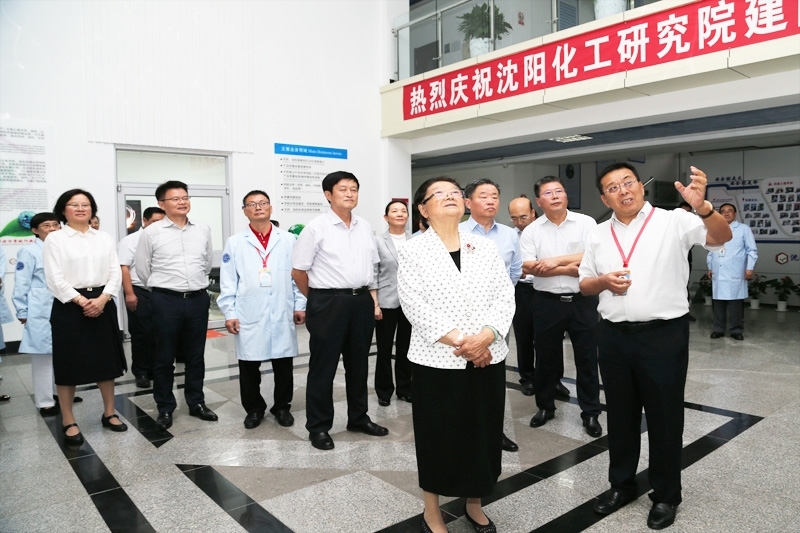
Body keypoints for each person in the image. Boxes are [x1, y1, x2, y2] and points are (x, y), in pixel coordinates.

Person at [579, 163, 731, 530]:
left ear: (640, 186)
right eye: (613, 187)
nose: (623, 190)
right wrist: (603, 281)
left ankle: (665, 495)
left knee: (665, 417)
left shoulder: (673, 220)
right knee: (620, 415)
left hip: (663, 336)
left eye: (627, 182)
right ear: (604, 199)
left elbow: (720, 237)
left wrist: (703, 207)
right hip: (613, 337)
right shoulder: (597, 234)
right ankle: (621, 485)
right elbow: (584, 284)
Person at [398, 177, 515, 533]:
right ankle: (432, 511)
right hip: (438, 361)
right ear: (423, 209)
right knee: (438, 436)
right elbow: (414, 305)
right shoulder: (413, 250)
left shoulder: (485, 247)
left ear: (464, 204)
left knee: (482, 433)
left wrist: (487, 336)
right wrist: (467, 344)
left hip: (488, 356)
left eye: (454, 193)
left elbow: (505, 296)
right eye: (439, 194)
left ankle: (474, 503)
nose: (450, 197)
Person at [291, 171, 388, 450]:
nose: (349, 193)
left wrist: (372, 301)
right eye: (343, 189)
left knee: (359, 365)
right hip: (328, 302)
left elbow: (371, 268)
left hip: (361, 301)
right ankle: (319, 427)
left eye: (354, 189)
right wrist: (318, 299)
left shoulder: (364, 226)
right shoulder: (315, 228)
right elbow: (298, 272)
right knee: (323, 368)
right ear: (328, 195)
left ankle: (358, 418)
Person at [520, 176, 603, 438]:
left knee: (587, 359)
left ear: (566, 195)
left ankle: (590, 412)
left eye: (559, 191)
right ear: (538, 201)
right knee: (546, 359)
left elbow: (593, 257)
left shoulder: (586, 223)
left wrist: (554, 262)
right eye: (548, 193)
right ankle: (545, 407)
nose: (555, 196)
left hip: (582, 301)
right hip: (546, 303)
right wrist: (570, 268)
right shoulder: (532, 230)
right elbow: (529, 266)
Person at [43, 190, 128, 444]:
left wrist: (103, 298)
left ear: (92, 209)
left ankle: (109, 412)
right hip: (69, 305)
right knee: (68, 362)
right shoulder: (55, 239)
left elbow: (115, 272)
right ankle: (69, 420)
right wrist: (81, 301)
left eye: (86, 204)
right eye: (74, 205)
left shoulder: (103, 237)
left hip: (103, 302)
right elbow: (54, 278)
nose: (81, 208)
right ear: (64, 210)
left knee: (106, 361)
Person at [218, 190, 306, 429]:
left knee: (283, 364)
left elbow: (297, 276)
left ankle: (282, 407)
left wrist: (300, 305)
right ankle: (254, 409)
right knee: (249, 365)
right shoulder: (235, 242)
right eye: (252, 204)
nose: (258, 207)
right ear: (244, 211)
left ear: (270, 207)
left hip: (282, 308)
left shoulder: (288, 239)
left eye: (263, 203)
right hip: (248, 311)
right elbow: (228, 281)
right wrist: (230, 312)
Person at [135, 180, 216, 430]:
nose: (182, 202)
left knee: (195, 356)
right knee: (163, 357)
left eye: (185, 197)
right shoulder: (151, 233)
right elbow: (143, 270)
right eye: (175, 199)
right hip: (165, 300)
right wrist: (164, 289)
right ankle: (165, 407)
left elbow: (206, 263)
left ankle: (196, 402)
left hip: (198, 299)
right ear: (162, 204)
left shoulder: (202, 229)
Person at [460, 178, 521, 453]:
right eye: (483, 196)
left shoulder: (509, 235)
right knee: (464, 377)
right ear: (468, 202)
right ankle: (466, 431)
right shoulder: (456, 231)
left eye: (494, 196)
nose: (490, 201)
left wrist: (498, 303)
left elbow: (515, 271)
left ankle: (495, 431)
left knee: (494, 376)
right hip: (462, 317)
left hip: (497, 318)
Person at [12, 213, 62, 415]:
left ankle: (60, 393)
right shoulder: (29, 251)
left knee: (62, 354)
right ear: (35, 230)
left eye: (56, 225)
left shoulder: (63, 249)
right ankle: (45, 401)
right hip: (39, 309)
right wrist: (22, 310)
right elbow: (21, 283)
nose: (52, 229)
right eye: (46, 225)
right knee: (43, 356)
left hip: (63, 306)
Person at [118, 206, 166, 388]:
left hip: (161, 291)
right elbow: (123, 267)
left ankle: (155, 369)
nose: (158, 225)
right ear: (145, 221)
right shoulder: (130, 241)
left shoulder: (164, 238)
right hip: (138, 290)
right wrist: (129, 293)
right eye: (154, 222)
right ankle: (141, 371)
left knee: (159, 332)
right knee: (142, 333)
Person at [370, 200, 412, 407]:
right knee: (384, 349)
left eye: (403, 211)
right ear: (386, 217)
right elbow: (373, 274)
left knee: (406, 348)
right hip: (386, 302)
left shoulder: (415, 240)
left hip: (410, 303)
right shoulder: (378, 241)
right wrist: (375, 304)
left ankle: (405, 388)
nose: (400, 214)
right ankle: (384, 390)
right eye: (394, 211)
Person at [707, 203, 757, 341]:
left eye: (730, 211)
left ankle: (736, 330)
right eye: (723, 211)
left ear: (735, 214)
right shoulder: (715, 229)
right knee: (718, 303)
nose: (726, 213)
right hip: (718, 272)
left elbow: (751, 250)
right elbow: (711, 250)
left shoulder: (743, 229)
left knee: (736, 304)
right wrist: (710, 266)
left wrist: (749, 268)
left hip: (735, 271)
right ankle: (718, 329)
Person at [508, 195, 538, 395]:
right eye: (514, 218)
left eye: (523, 217)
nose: (519, 222)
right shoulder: (511, 236)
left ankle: (552, 379)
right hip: (521, 290)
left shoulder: (543, 231)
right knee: (524, 336)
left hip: (544, 289)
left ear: (533, 213)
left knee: (548, 338)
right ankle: (527, 378)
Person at [677, 202, 698, 321]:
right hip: (670, 262)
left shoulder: (691, 226)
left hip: (685, 260)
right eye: (682, 211)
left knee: (684, 285)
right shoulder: (669, 225)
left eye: (687, 212)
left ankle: (685, 312)